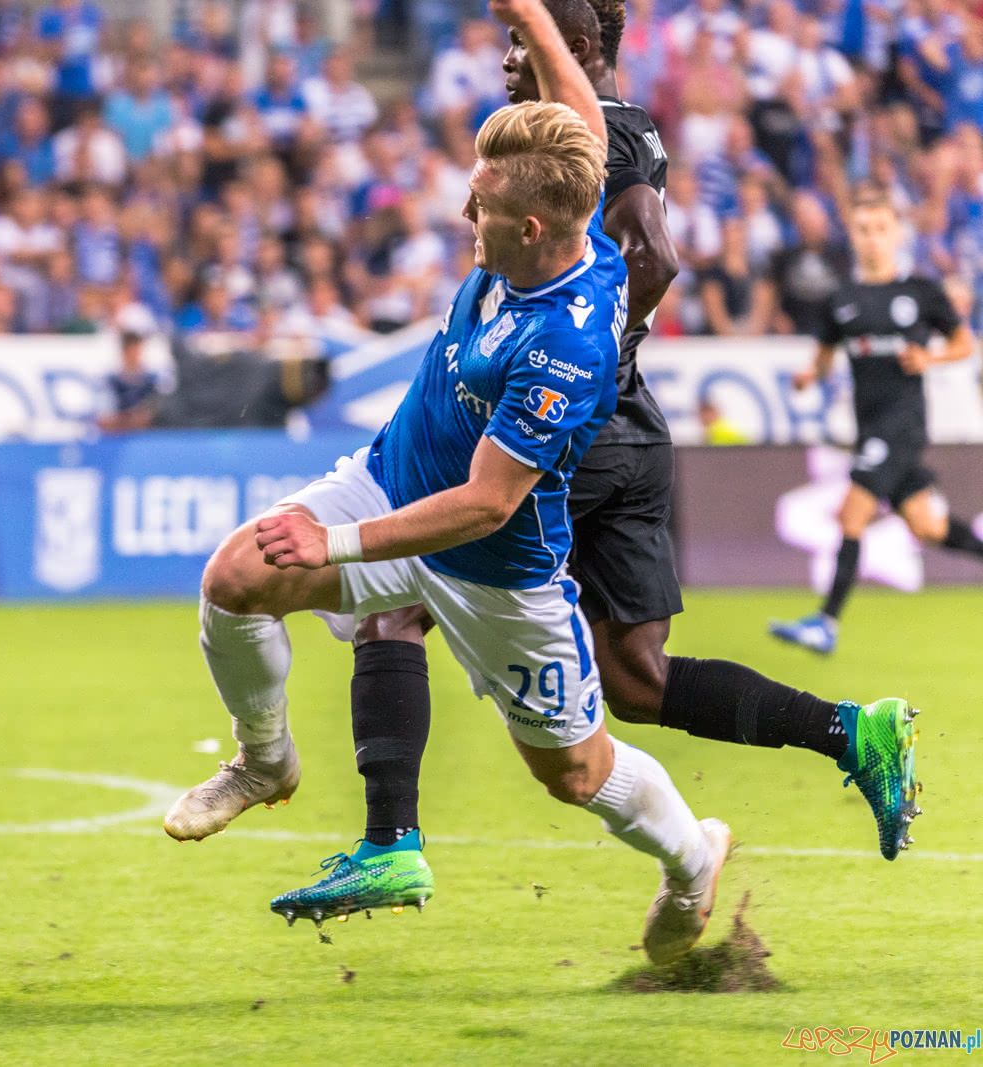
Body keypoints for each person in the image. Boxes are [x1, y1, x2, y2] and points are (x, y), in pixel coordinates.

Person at [261, 0, 922, 927]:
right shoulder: (624, 130)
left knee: (398, 587)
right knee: (637, 679)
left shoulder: (591, 141)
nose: (501, 63)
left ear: (573, 48)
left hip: (585, 431)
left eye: (518, 45)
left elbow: (652, 253)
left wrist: (582, 360)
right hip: (634, 431)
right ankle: (848, 728)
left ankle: (389, 842)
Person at [164, 0, 728, 966]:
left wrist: (333, 547)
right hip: (387, 481)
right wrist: (524, 13)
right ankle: (265, 761)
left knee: (576, 771)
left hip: (493, 566)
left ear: (538, 225)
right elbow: (579, 112)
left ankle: (690, 865)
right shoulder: (567, 204)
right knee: (231, 580)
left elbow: (486, 503)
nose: (468, 214)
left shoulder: (566, 340)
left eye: (487, 208)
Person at [771, 191, 983, 654]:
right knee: (927, 525)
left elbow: (965, 343)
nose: (872, 238)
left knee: (852, 511)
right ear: (853, 235)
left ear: (896, 233)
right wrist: (810, 375)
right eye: (864, 229)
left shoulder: (921, 292)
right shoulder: (841, 300)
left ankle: (825, 622)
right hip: (869, 428)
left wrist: (931, 356)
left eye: (881, 228)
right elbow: (825, 358)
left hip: (903, 424)